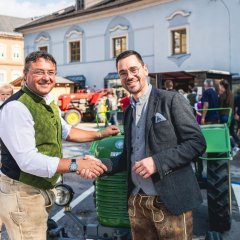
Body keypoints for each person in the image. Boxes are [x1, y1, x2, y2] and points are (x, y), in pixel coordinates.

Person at [82, 50, 206, 240]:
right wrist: (98, 165)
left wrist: (157, 162)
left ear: (145, 70)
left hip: (169, 199)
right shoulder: (129, 111)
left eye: (133, 69)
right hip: (137, 201)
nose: (129, 76)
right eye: (123, 73)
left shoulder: (171, 100)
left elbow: (196, 143)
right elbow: (127, 156)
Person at [0, 51, 120, 240]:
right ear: (25, 74)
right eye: (39, 72)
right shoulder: (17, 107)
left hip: (39, 191)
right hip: (22, 193)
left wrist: (101, 134)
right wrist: (76, 164)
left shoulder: (47, 102)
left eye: (51, 72)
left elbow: (68, 131)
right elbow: (28, 161)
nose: (46, 78)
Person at [218, 79, 240, 151]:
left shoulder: (222, 95)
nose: (219, 87)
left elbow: (219, 107)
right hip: (231, 116)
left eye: (220, 86)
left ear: (222, 86)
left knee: (225, 133)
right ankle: (237, 144)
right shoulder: (231, 94)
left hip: (224, 116)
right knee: (232, 132)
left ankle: (234, 147)